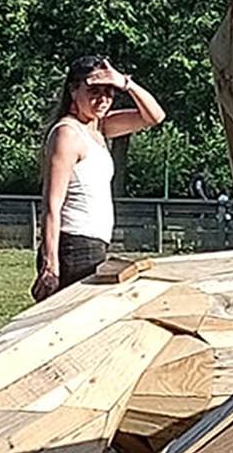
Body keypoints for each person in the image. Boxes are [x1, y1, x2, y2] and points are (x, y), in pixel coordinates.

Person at [33, 55, 165, 301]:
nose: (103, 99)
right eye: (94, 90)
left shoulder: (99, 128)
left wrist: (126, 83)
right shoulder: (67, 134)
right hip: (73, 246)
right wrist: (51, 263)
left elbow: (154, 116)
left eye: (109, 92)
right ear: (73, 90)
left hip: (94, 245)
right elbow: (52, 205)